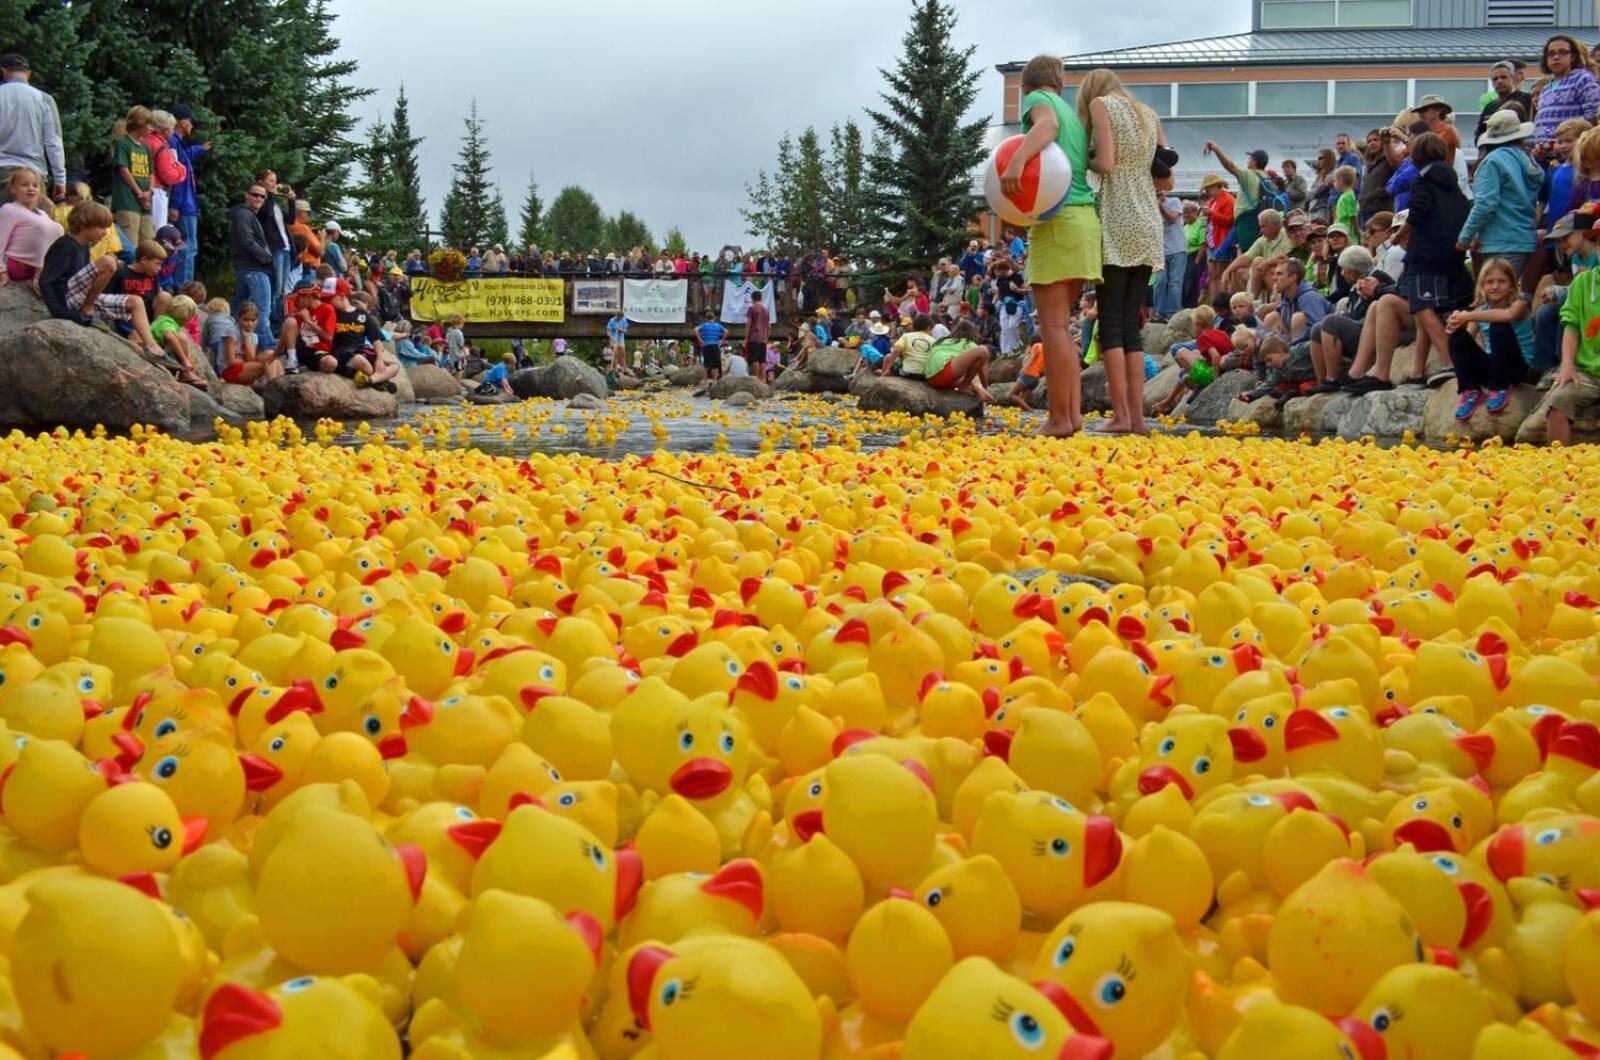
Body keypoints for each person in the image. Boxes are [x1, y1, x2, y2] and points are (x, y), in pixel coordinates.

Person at [1000, 54, 1102, 438]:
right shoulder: (1075, 114)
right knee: (1064, 327)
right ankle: (1072, 416)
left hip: (1058, 221)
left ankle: (1060, 419)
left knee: (1054, 327)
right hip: (1084, 222)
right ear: (1060, 83)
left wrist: (1017, 161)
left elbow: (1047, 125)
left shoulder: (1038, 102)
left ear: (1027, 85)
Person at [1079, 69, 1165, 436]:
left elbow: (1107, 164)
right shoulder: (1149, 113)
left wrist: (1083, 159)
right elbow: (1167, 177)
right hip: (1147, 218)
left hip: (1117, 215)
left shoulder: (1101, 105)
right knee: (1131, 322)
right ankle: (1138, 419)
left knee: (1110, 321)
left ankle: (1121, 416)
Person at [40, 203, 171, 362]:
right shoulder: (65, 245)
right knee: (108, 262)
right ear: (84, 224)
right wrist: (60, 312)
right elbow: (46, 281)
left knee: (135, 301)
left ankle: (152, 346)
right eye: (101, 227)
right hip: (66, 298)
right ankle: (87, 308)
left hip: (80, 297)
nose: (105, 232)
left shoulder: (84, 247)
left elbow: (84, 276)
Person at [1444, 258, 1533, 419]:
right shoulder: (1480, 310)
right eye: (1490, 282)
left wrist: (1468, 315)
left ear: (1512, 285)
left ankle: (1500, 388)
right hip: (1492, 368)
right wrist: (1455, 325)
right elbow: (1469, 340)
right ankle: (1470, 390)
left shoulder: (1518, 305)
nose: (1495, 286)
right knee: (1457, 337)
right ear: (1482, 286)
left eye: (1501, 281)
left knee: (1499, 326)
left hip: (1516, 367)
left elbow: (1508, 315)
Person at [1459, 110, 1543, 279]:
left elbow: (1484, 204)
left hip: (1500, 241)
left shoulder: (1493, 161)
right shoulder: (1528, 159)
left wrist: (1465, 237)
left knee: (1498, 298)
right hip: (1525, 238)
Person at [1550, 228, 1600, 443]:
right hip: (1587, 372)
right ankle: (1558, 466)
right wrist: (1567, 366)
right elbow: (1571, 328)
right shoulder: (1582, 282)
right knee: (1558, 403)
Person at [0, 54, 66, 206]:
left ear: (3, 72)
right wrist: (60, 180)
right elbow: (54, 142)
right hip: (33, 176)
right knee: (32, 226)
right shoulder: (45, 99)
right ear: (28, 74)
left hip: (1, 171)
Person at [228, 183, 275, 353]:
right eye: (255, 195)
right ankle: (269, 349)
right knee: (261, 312)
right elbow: (247, 240)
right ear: (246, 195)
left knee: (239, 310)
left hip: (247, 268)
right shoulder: (243, 214)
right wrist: (266, 258)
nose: (259, 199)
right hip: (254, 269)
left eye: (263, 196)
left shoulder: (248, 215)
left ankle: (235, 346)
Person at [164, 106, 208, 288]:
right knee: (187, 248)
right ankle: (184, 290)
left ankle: (184, 288)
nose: (192, 126)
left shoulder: (178, 144)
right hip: (183, 206)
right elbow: (175, 175)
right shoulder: (173, 142)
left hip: (187, 204)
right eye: (190, 122)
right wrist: (174, 204)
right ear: (183, 122)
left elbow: (185, 156)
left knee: (189, 247)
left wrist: (201, 149)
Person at [0, 166, 62, 287]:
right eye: (25, 185)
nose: (31, 189)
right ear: (13, 189)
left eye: (35, 185)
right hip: (17, 265)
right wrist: (1, 271)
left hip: (40, 269)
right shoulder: (9, 210)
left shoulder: (43, 214)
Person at [1533, 35, 1600, 146]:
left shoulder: (1583, 79)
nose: (1556, 57)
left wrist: (1567, 138)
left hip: (1572, 153)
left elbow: (1593, 114)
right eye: (1551, 54)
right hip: (1545, 156)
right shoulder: (1545, 89)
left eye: (1562, 52)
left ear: (1573, 57)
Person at [203, 298, 279, 385]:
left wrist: (247, 339)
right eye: (246, 320)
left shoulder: (254, 337)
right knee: (269, 362)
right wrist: (257, 358)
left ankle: (278, 389)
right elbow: (231, 361)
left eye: (253, 320)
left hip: (245, 370)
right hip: (229, 371)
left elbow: (250, 358)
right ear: (239, 318)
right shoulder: (231, 332)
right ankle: (274, 387)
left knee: (274, 360)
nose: (249, 324)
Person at [111, 106, 155, 246]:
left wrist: (149, 192)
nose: (151, 128)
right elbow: (124, 171)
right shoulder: (123, 144)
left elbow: (151, 173)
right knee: (131, 245)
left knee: (148, 243)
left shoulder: (145, 147)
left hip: (145, 205)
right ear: (139, 124)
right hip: (128, 202)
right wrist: (139, 193)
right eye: (148, 124)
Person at [1221, 208, 1290, 296]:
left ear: (1276, 224)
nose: (1261, 230)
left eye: (1264, 226)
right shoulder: (1264, 239)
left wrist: (1266, 263)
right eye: (1260, 226)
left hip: (1283, 274)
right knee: (1237, 271)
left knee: (1259, 263)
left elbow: (1287, 259)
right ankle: (1241, 303)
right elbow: (1246, 258)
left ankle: (1252, 301)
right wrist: (1227, 271)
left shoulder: (1286, 236)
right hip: (1265, 274)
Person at [145, 294, 207, 389]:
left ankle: (187, 372)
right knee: (181, 337)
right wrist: (184, 359)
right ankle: (185, 373)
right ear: (186, 317)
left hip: (161, 353)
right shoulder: (167, 322)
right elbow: (169, 336)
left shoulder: (163, 319)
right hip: (157, 353)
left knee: (181, 337)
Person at [1239, 333, 1315, 402]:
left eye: (1269, 360)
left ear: (1280, 351)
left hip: (1317, 376)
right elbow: (1268, 385)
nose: (1269, 364)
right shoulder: (1279, 370)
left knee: (1304, 388)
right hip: (1299, 381)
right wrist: (1250, 394)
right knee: (1278, 387)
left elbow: (1316, 344)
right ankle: (1289, 394)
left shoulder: (1300, 351)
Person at [1200, 172, 1237, 298]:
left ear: (1217, 186)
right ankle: (1215, 303)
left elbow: (1229, 221)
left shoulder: (1228, 199)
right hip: (1212, 241)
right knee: (1212, 274)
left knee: (1221, 274)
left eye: (1209, 188)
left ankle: (1222, 302)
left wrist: (1212, 214)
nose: (1207, 191)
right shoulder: (1213, 201)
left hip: (1222, 241)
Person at [1479, 60, 1535, 139]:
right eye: (1495, 79)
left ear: (1513, 78)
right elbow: (1480, 133)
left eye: (1503, 77)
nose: (1499, 81)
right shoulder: (1489, 107)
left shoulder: (1527, 99)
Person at [1155, 181, 1186, 320]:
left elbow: (1172, 218)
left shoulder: (1174, 201)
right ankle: (1160, 313)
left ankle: (1173, 314)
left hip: (1177, 249)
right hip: (1160, 251)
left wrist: (1159, 205)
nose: (1157, 190)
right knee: (1160, 283)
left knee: (1174, 283)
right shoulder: (1149, 205)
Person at [878, 313, 935, 378]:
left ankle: (884, 373)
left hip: (908, 372)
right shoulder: (933, 340)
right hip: (924, 375)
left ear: (913, 325)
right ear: (928, 327)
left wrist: (888, 368)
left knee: (889, 359)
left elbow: (896, 350)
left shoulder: (906, 336)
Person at [1360, 129, 1396, 224]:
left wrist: (1378, 194)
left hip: (1380, 208)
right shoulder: (1369, 164)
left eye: (1375, 140)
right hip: (1366, 207)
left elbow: (1392, 183)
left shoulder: (1388, 160)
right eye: (1369, 141)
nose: (1372, 143)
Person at [1008, 341, 1046, 410]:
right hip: (1036, 378)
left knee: (1011, 395)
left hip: (1028, 375)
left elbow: (1032, 357)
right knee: (1022, 401)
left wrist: (1024, 368)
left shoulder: (1036, 346)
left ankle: (1030, 410)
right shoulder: (1045, 349)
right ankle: (1027, 412)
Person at [745, 289, 770, 381]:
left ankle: (756, 379)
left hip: (754, 337)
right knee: (762, 360)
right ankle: (763, 379)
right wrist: (766, 338)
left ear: (752, 298)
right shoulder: (766, 310)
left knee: (755, 359)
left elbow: (748, 324)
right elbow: (769, 326)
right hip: (763, 339)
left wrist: (746, 337)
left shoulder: (751, 308)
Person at [696, 310, 727, 381]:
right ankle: (714, 381)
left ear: (706, 318)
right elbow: (726, 331)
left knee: (706, 365)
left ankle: (705, 382)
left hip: (706, 345)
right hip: (715, 345)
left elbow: (696, 329)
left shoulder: (704, 325)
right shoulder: (717, 325)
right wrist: (722, 340)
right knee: (715, 366)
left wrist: (699, 339)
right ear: (714, 317)